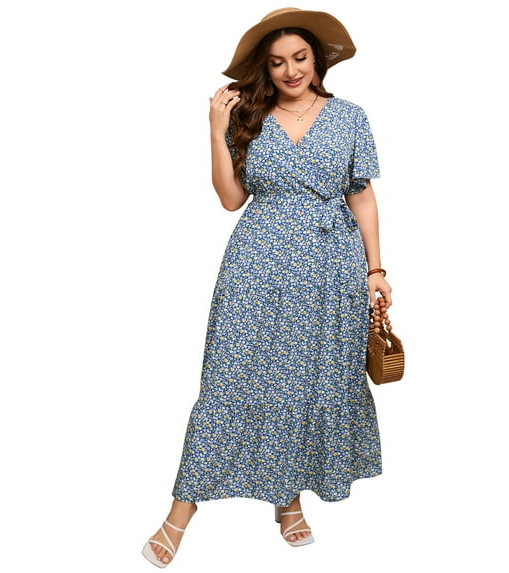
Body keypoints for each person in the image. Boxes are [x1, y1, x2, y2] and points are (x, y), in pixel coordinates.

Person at [142, 7, 392, 567]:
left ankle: (289, 501)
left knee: (308, 382)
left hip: (331, 267)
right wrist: (215, 130)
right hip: (257, 265)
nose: (290, 70)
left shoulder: (350, 117)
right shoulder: (248, 116)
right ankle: (179, 514)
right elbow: (231, 199)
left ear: (317, 59)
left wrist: (375, 271)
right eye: (277, 62)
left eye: (300, 58)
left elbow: (362, 196)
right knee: (230, 380)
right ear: (266, 68)